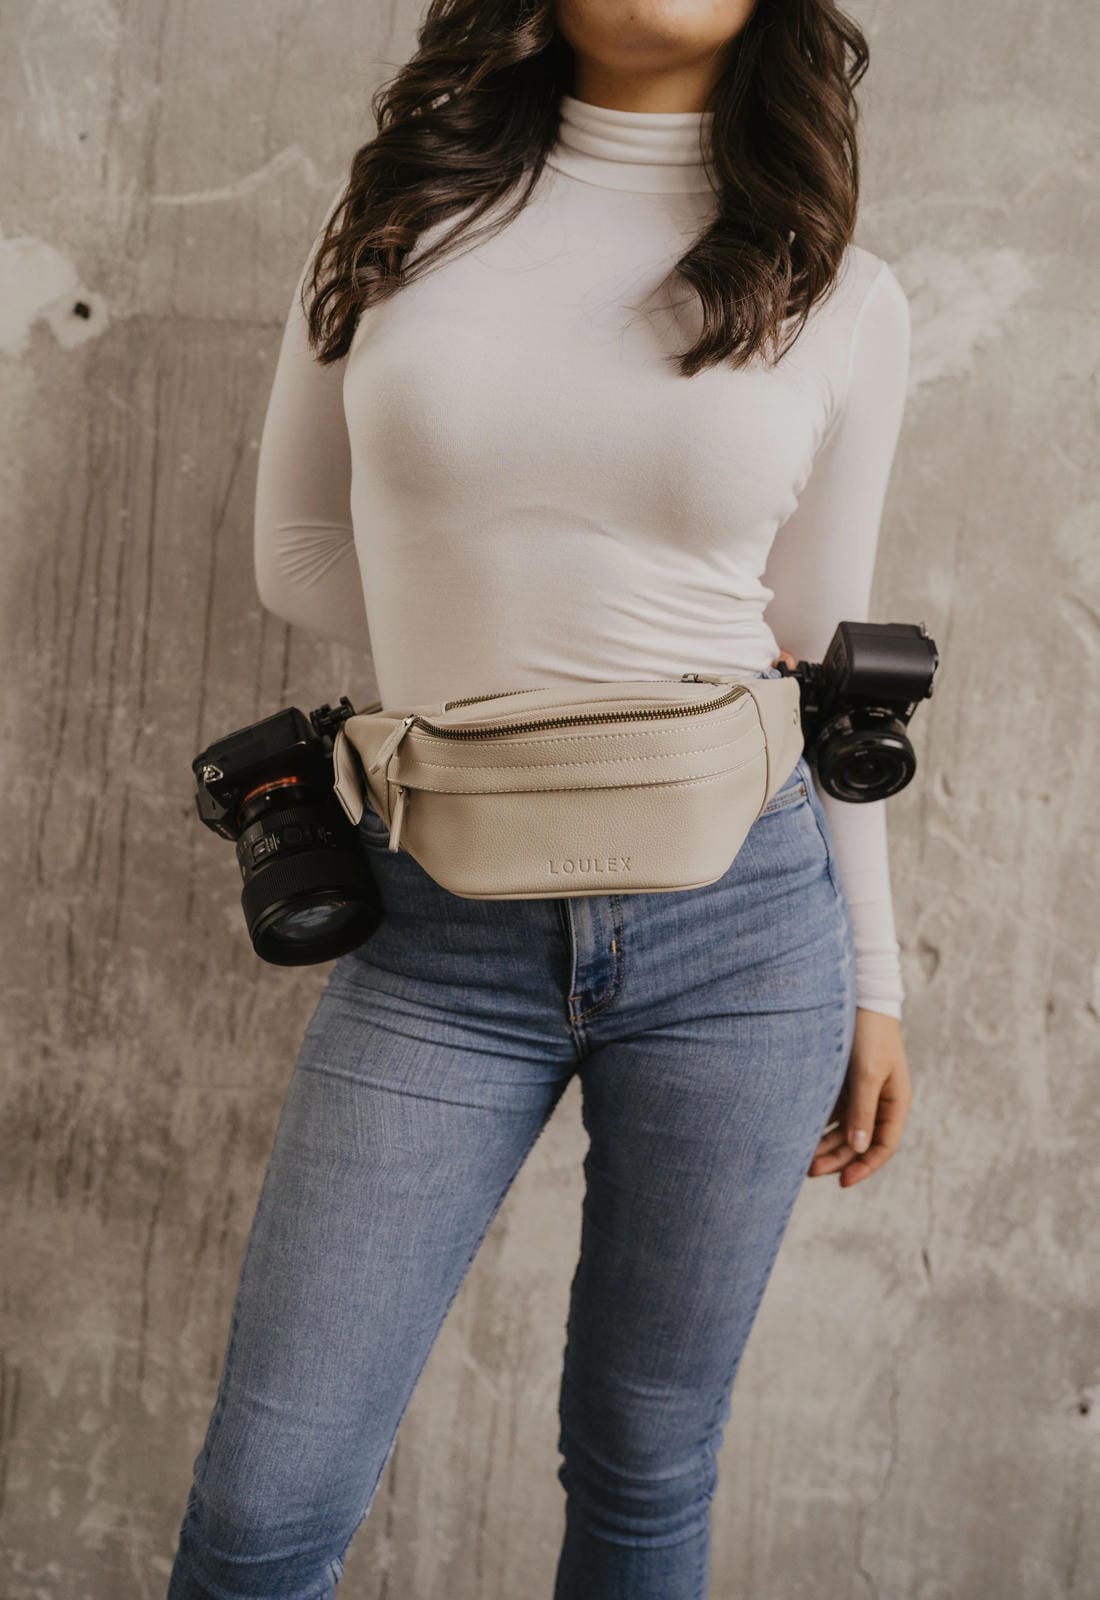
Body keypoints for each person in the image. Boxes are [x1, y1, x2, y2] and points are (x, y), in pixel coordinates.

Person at [166, 1, 914, 1594]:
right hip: (436, 929)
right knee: (265, 1508)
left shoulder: (840, 282)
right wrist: (550, 660)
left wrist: (880, 977)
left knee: (647, 1469)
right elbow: (295, 555)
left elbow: (825, 662)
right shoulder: (394, 217)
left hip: (748, 934)